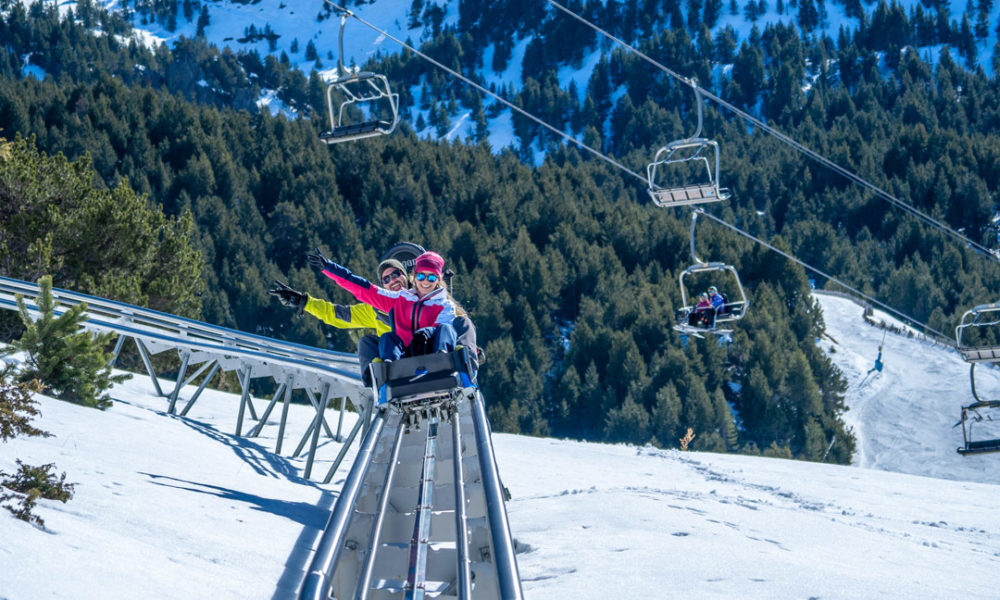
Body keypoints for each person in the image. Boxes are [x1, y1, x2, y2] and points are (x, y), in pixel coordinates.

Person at [268, 257, 410, 384]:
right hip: (393, 361)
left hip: (420, 355)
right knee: (366, 342)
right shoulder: (375, 310)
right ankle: (375, 379)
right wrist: (304, 302)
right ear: (383, 286)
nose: (392, 280)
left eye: (395, 274)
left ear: (405, 275)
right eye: (386, 279)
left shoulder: (422, 296)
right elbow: (337, 314)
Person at [308, 249, 458, 362]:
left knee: (445, 329)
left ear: (438, 280)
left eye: (431, 277)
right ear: (414, 276)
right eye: (421, 276)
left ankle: (443, 360)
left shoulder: (444, 305)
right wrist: (330, 268)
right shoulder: (399, 299)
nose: (425, 281)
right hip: (404, 355)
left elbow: (443, 326)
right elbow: (364, 289)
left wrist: (426, 332)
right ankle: (388, 368)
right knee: (387, 338)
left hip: (430, 352)